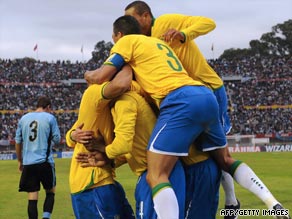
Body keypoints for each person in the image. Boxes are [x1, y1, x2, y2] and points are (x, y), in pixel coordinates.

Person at [85, 15, 290, 219]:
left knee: (156, 174)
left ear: (118, 35)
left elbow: (102, 76)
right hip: (205, 95)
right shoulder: (157, 44)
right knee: (226, 159)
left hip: (179, 102)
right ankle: (272, 203)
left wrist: (88, 75)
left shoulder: (127, 42)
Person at [123, 2, 239, 218]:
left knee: (217, 151)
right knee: (193, 151)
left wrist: (183, 34)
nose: (131, 24)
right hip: (183, 96)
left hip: (208, 89)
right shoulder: (144, 43)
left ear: (146, 16)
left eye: (133, 19)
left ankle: (231, 201)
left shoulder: (166, 22)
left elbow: (208, 22)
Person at [65, 65, 135, 219]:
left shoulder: (120, 106)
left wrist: (108, 157)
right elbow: (121, 83)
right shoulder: (93, 93)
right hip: (91, 182)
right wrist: (127, 60)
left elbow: (71, 136)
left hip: (106, 180)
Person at [15, 96, 61, 219]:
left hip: (29, 163)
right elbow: (57, 139)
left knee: (32, 196)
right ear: (48, 107)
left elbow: (18, 141)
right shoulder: (50, 118)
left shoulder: (23, 118)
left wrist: (20, 160)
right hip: (45, 162)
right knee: (50, 192)